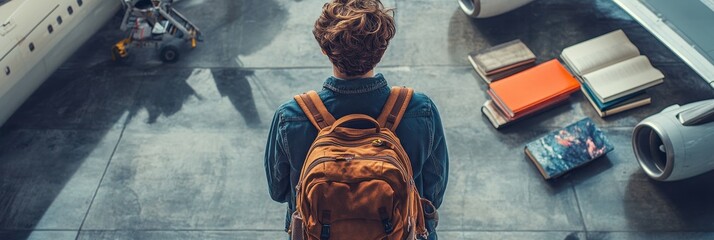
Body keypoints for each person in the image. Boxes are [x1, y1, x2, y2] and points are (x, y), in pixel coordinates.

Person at [264, 0, 449, 239]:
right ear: (381, 51)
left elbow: (278, 191)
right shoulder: (419, 109)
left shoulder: (291, 117)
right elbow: (434, 194)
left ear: (324, 49)